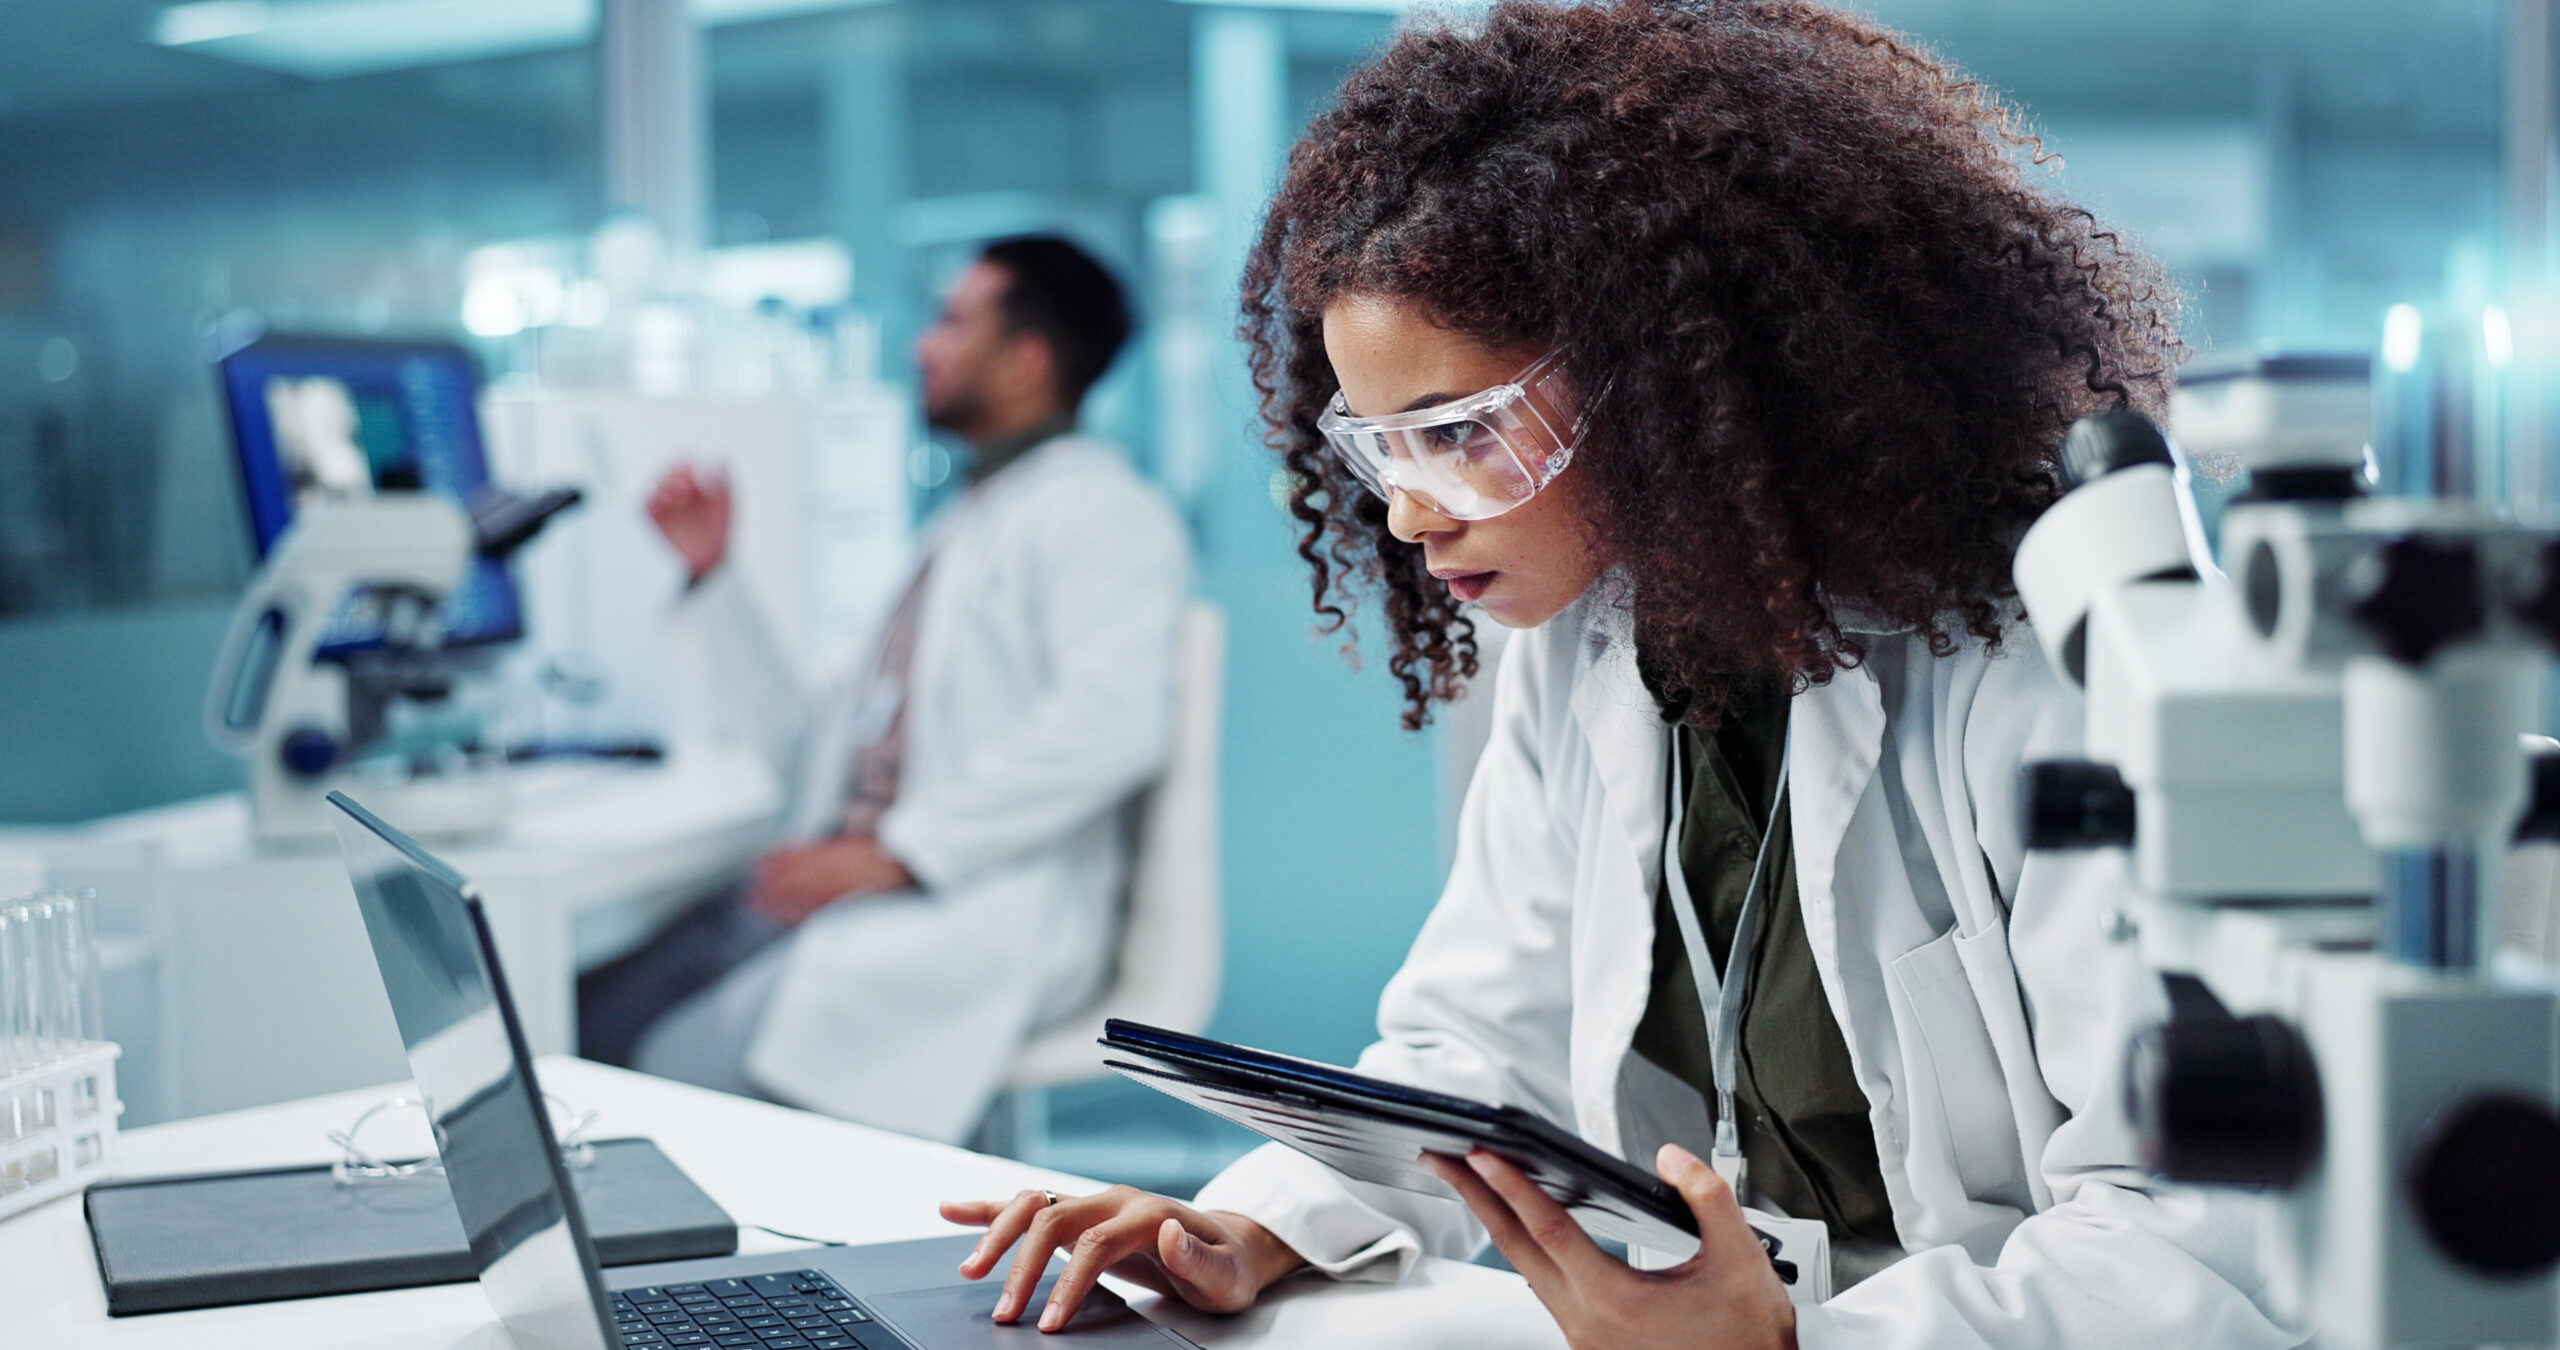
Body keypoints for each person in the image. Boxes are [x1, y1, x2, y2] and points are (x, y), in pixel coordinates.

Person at [940, 3, 2305, 1347]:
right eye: (1383, 449)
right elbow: (1479, 1046)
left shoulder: (2043, 655)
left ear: (1672, 384)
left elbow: (2200, 1231)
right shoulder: (1594, 643)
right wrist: (1255, 1224)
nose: (1414, 513)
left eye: (1464, 433)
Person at [578, 234, 1191, 1145]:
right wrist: (713, 577)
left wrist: (898, 851)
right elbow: (811, 739)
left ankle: (695, 1282)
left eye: (952, 322)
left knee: (659, 1074)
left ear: (1027, 360)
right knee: (585, 1016)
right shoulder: (965, 523)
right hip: (859, 891)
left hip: (966, 908)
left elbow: (1111, 724)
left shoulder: (1102, 512)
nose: (922, 347)